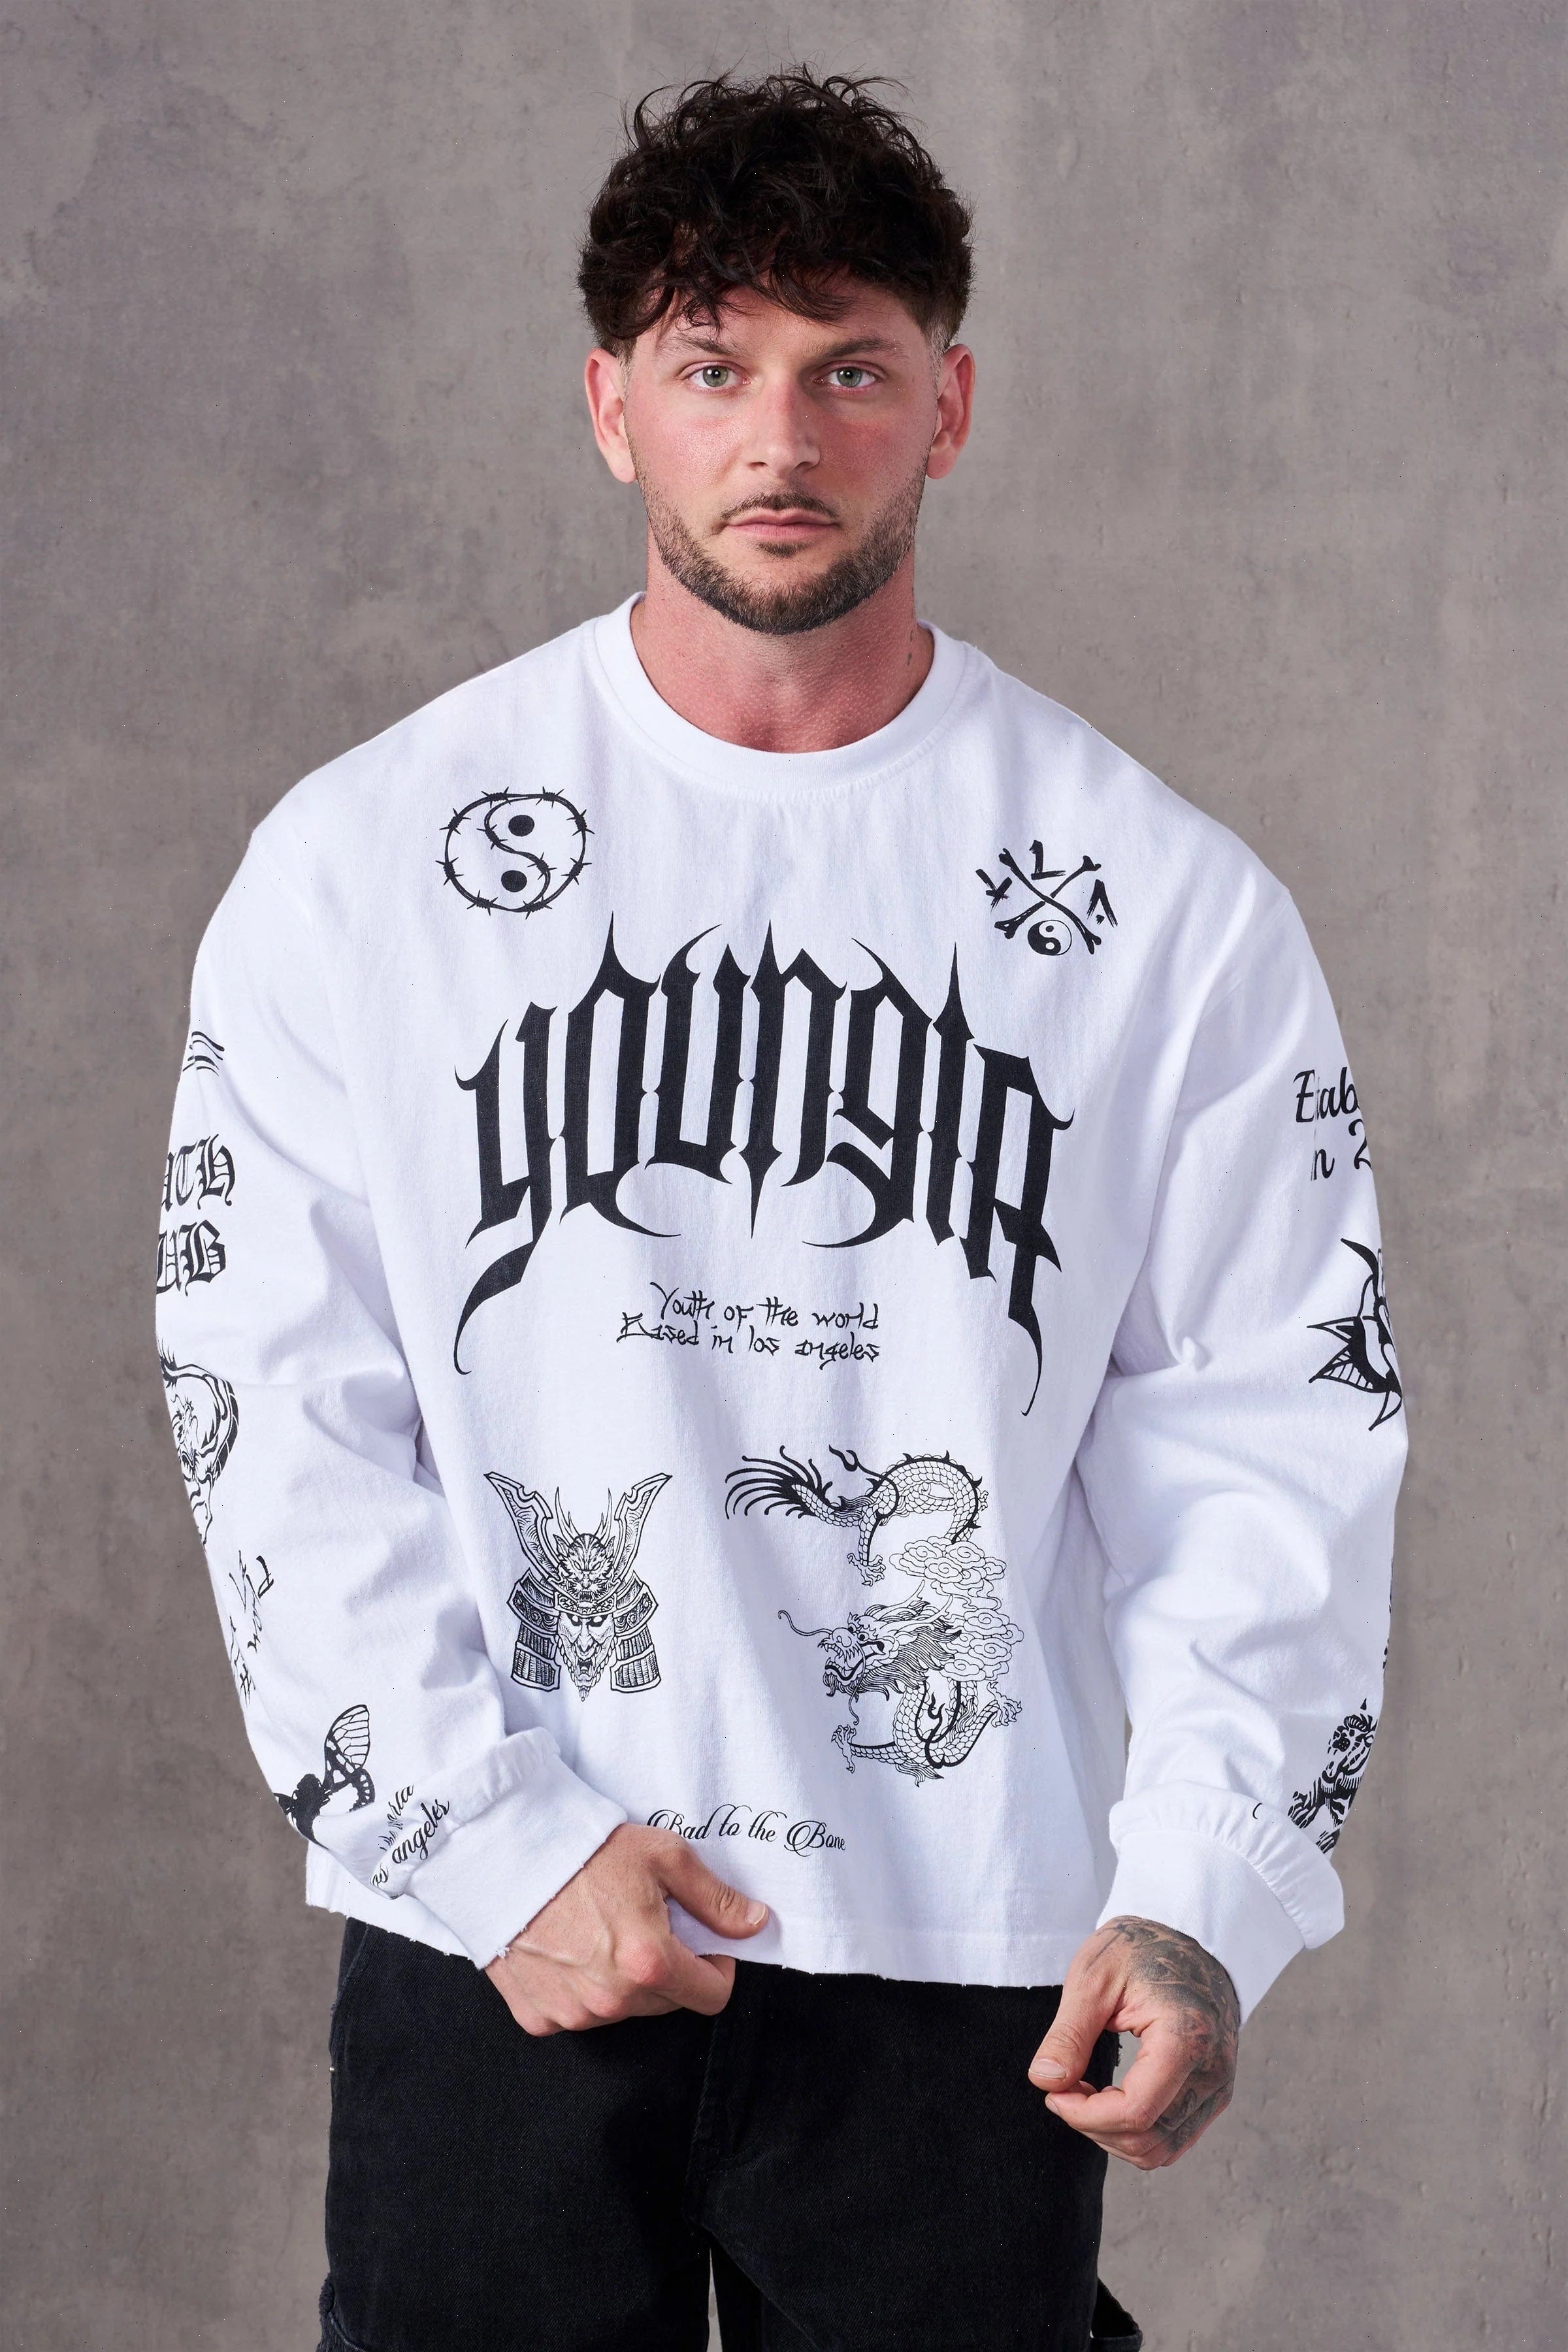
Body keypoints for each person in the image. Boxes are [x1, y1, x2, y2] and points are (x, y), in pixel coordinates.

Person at [156, 69, 1405, 2352]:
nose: (782, 437)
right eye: (716, 367)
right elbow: (274, 1402)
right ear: (610, 405)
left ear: (951, 406)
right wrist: (482, 1835)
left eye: (850, 368)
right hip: (505, 1930)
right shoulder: (364, 866)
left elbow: (1270, 1432)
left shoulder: (1166, 909)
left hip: (964, 1944)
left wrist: (1208, 1883)